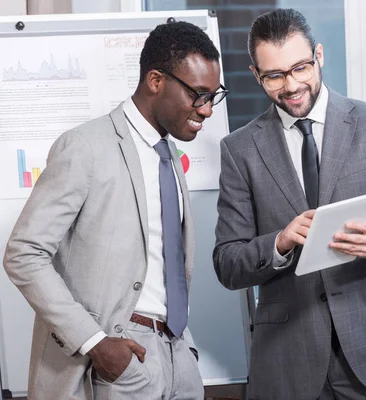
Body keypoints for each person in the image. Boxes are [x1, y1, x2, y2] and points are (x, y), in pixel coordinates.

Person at [213, 8, 366, 400]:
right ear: (256, 75)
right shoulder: (240, 150)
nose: (291, 85)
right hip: (287, 362)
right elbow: (227, 263)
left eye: (300, 67)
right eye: (275, 76)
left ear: (319, 56)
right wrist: (279, 243)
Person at [3, 21, 227, 400]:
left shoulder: (169, 155)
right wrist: (95, 343)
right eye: (197, 95)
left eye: (212, 96)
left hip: (176, 356)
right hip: (116, 359)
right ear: (156, 80)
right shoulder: (86, 147)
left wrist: (182, 346)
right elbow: (23, 253)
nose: (206, 110)